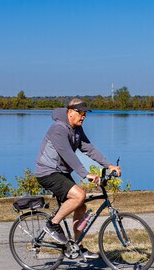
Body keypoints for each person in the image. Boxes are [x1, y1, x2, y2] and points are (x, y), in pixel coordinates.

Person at [35, 98, 121, 258]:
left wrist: (109, 165)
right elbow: (67, 154)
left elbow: (89, 149)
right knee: (79, 195)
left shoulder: (77, 130)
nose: (83, 116)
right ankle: (52, 224)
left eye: (85, 114)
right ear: (70, 112)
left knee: (81, 207)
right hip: (47, 172)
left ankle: (77, 246)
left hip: (60, 172)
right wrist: (85, 174)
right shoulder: (58, 129)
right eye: (81, 113)